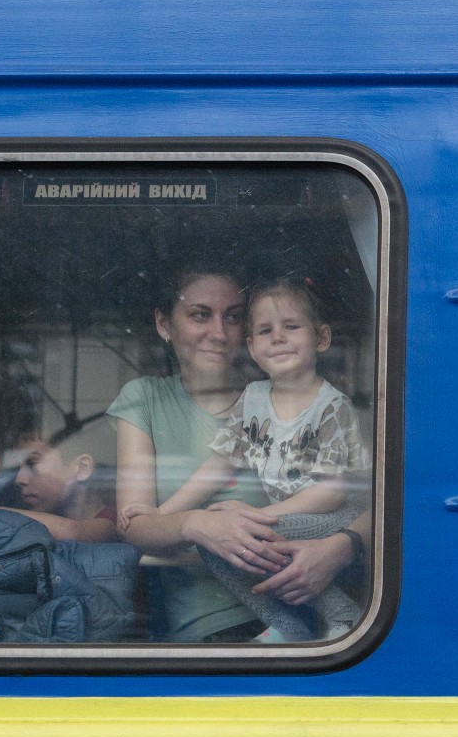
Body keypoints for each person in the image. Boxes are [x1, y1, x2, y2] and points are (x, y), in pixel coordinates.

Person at [111, 267, 370, 642]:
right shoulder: (153, 398)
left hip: (325, 598)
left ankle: (332, 618)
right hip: (215, 626)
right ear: (164, 324)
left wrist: (339, 548)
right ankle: (289, 629)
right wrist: (195, 523)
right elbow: (134, 524)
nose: (218, 332)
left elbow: (375, 504)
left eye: (232, 317)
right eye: (200, 314)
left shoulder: (324, 403)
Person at [0, 438, 117, 542]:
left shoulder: (111, 523)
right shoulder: (27, 517)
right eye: (17, 467)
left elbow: (73, 531)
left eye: (32, 463)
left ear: (82, 468)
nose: (20, 479)